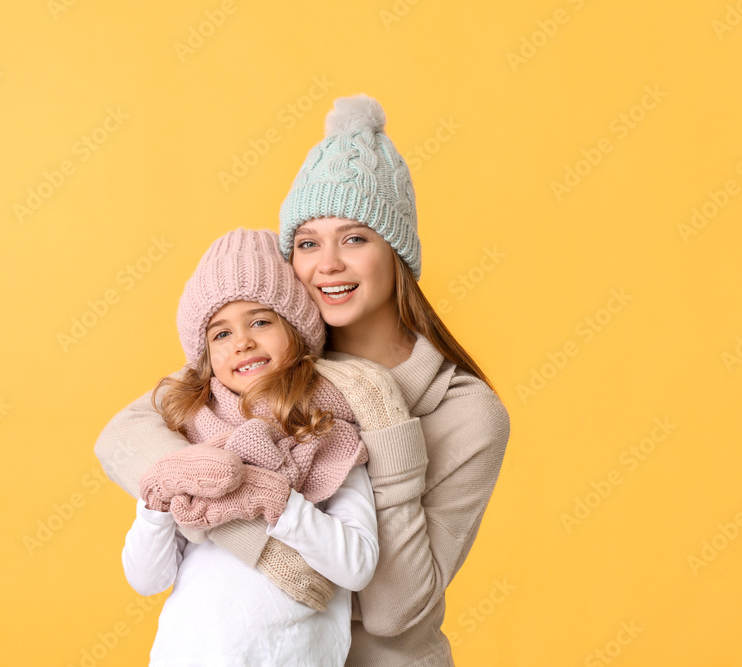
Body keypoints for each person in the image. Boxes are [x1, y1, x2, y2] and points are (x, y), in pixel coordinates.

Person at [97, 93, 511, 666]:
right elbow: (123, 435)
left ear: (397, 253)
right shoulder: (275, 358)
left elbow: (394, 610)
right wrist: (258, 540)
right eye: (307, 243)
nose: (328, 264)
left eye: (355, 238)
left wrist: (385, 437)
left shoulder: (466, 413)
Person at [121, 228, 380, 666]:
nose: (241, 341)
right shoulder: (191, 432)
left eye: (260, 321)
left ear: (296, 330)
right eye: (220, 334)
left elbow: (357, 565)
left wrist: (280, 503)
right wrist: (157, 496)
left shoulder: (326, 435)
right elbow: (148, 579)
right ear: (204, 356)